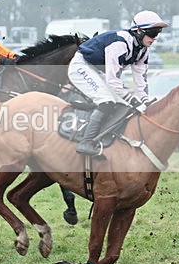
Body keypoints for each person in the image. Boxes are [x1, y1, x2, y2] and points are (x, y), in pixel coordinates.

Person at [67, 10, 168, 156]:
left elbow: (141, 81)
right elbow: (113, 81)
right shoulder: (119, 43)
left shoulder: (142, 51)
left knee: (123, 105)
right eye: (152, 33)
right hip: (81, 67)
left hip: (99, 71)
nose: (155, 38)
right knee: (106, 101)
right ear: (138, 31)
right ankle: (86, 142)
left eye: (158, 33)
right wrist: (134, 101)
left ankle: (106, 138)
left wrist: (146, 101)